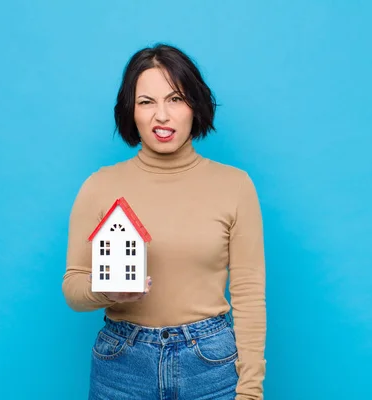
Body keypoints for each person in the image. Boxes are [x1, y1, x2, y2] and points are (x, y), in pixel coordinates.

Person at [62, 43, 266, 400]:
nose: (162, 115)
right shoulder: (99, 186)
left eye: (175, 99)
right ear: (131, 111)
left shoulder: (235, 185)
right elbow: (73, 286)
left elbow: (249, 296)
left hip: (211, 365)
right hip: (122, 364)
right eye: (146, 102)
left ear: (195, 106)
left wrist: (250, 390)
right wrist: (105, 290)